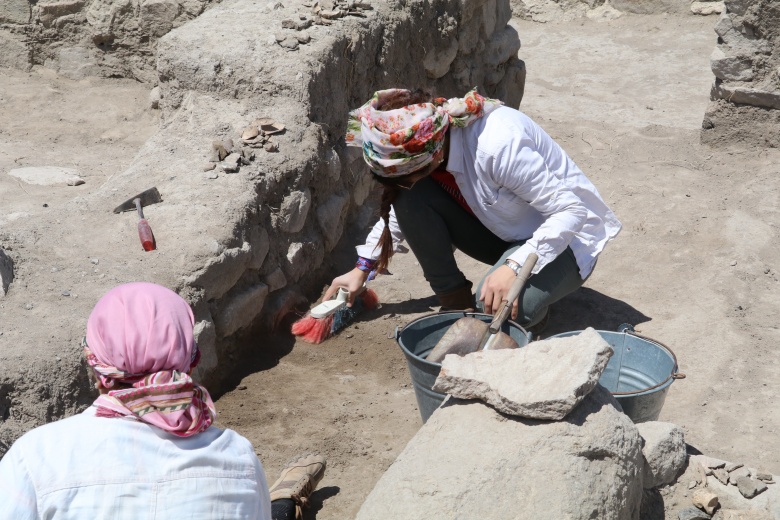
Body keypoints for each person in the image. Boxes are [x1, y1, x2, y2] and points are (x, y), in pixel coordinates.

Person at [0, 282, 324, 520]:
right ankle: (284, 499)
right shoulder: (238, 459)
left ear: (96, 368)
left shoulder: (35, 459)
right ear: (191, 362)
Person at [324, 88, 621, 332]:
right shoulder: (433, 144)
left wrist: (512, 267)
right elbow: (402, 207)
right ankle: (457, 306)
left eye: (404, 176)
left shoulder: (498, 145)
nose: (402, 183)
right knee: (409, 199)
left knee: (494, 312)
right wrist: (362, 268)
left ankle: (525, 317)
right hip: (502, 229)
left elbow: (571, 211)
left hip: (567, 241)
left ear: (430, 156)